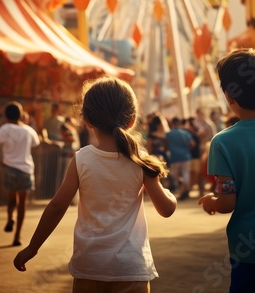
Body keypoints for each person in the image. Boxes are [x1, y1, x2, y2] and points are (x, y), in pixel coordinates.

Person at [13, 76, 177, 291]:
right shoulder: (140, 160)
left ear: (88, 120)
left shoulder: (82, 159)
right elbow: (166, 209)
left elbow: (57, 207)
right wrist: (170, 194)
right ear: (132, 119)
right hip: (130, 269)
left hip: (89, 267)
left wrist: (32, 248)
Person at [198, 48, 255, 293]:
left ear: (229, 96)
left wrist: (211, 203)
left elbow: (228, 201)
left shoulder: (223, 142)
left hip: (251, 252)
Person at [0, 101, 40, 246]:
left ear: (6, 115)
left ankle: (10, 217)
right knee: (22, 203)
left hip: (9, 169)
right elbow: (36, 143)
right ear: (21, 115)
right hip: (25, 171)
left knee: (12, 200)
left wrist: (3, 150)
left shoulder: (5, 128)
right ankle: (17, 236)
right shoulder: (28, 130)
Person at [166, 117, 195, 200]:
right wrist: (186, 148)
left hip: (174, 157)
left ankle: (181, 190)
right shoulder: (185, 133)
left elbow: (166, 145)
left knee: (175, 176)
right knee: (186, 174)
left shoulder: (168, 134)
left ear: (172, 123)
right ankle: (186, 190)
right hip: (185, 156)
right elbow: (192, 144)